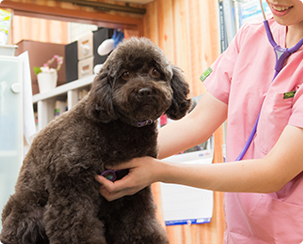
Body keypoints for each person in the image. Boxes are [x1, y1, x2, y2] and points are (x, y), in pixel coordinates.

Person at [95, 0, 303, 242]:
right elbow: (198, 123)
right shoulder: (251, 36)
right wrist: (111, 154)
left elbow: (274, 173)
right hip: (241, 233)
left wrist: (158, 171)